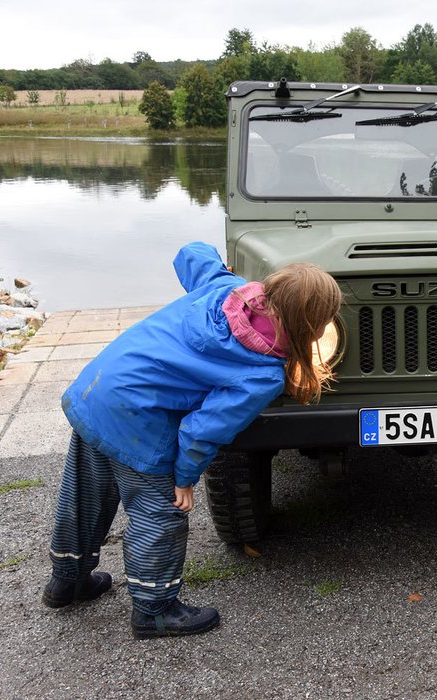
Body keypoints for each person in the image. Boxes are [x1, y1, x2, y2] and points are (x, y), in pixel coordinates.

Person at [41, 242, 342, 638]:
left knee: (86, 494)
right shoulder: (262, 372)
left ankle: (68, 580)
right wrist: (183, 478)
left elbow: (193, 254)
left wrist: (216, 259)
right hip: (135, 416)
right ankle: (155, 610)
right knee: (160, 513)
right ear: (310, 326)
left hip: (95, 391)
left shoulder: (224, 288)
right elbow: (203, 429)